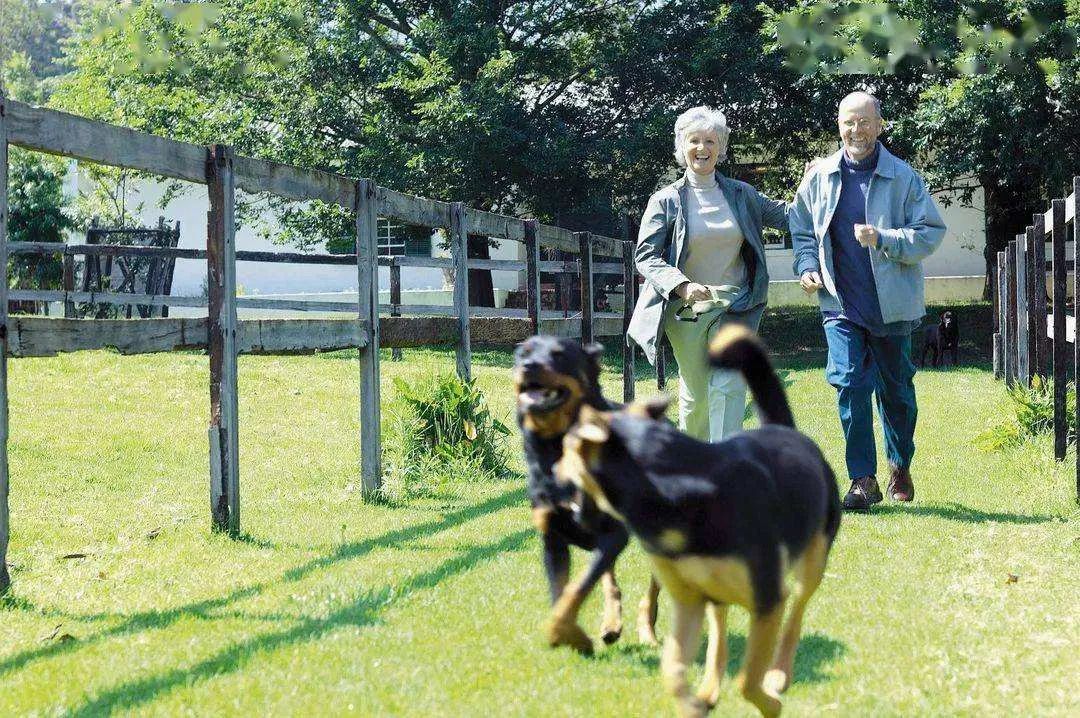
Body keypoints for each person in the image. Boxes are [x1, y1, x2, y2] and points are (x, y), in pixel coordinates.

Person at [790, 91, 946, 511]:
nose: (855, 130)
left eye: (864, 122)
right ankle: (863, 480)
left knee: (896, 393)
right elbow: (802, 229)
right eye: (847, 122)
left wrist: (884, 239)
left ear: (880, 125)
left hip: (892, 306)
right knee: (849, 385)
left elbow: (930, 231)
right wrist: (806, 266)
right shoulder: (819, 176)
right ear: (838, 125)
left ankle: (899, 463)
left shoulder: (904, 176)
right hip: (839, 304)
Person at [627, 106, 789, 442]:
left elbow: (790, 216)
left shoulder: (742, 195)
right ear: (682, 147)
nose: (703, 148)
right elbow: (645, 255)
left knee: (729, 384)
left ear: (721, 147)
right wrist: (681, 285)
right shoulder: (665, 200)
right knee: (698, 396)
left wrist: (814, 183)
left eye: (711, 141)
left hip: (737, 304)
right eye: (695, 141)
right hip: (687, 310)